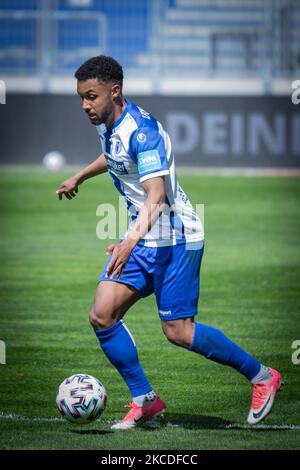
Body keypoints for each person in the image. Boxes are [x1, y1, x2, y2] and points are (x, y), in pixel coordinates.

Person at [56, 55, 282, 430]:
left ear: (115, 92)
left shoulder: (142, 133)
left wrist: (128, 243)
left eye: (91, 97)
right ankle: (145, 400)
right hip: (146, 236)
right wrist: (80, 176)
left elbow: (157, 197)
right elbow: (113, 156)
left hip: (177, 238)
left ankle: (262, 377)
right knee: (102, 314)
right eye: (81, 97)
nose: (85, 106)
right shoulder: (108, 121)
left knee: (178, 331)